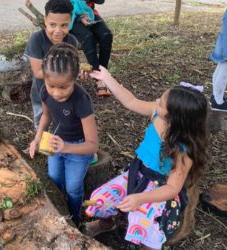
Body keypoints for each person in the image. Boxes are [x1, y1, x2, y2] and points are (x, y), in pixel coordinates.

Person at [85, 66, 208, 249]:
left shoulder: (184, 150)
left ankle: (149, 244)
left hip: (159, 188)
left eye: (161, 102)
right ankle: (107, 222)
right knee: (100, 198)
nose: (157, 101)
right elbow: (131, 101)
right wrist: (107, 78)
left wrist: (141, 198)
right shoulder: (157, 114)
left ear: (175, 118)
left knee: (141, 222)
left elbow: (172, 188)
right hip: (137, 172)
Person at [29, 43, 99, 227]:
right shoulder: (44, 91)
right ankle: (58, 214)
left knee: (73, 187)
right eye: (51, 85)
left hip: (78, 147)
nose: (56, 93)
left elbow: (93, 145)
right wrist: (37, 139)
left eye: (64, 87)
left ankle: (74, 219)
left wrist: (66, 147)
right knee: (54, 180)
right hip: (55, 141)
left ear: (75, 79)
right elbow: (46, 115)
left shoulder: (81, 100)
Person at [24, 0, 78, 129]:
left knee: (62, 121)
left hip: (65, 92)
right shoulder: (36, 39)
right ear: (45, 20)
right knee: (42, 119)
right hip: (41, 91)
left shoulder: (72, 41)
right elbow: (37, 72)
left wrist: (77, 73)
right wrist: (65, 75)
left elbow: (73, 68)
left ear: (70, 22)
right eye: (53, 25)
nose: (58, 31)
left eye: (64, 25)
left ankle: (60, 144)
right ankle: (40, 144)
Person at [70, 0, 113, 96]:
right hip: (69, 15)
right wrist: (79, 18)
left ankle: (103, 72)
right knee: (88, 37)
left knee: (106, 35)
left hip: (88, 12)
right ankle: (99, 79)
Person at [209, 9, 227, 111]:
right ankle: (218, 102)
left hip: (224, 44)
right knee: (223, 72)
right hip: (226, 46)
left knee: (221, 69)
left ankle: (216, 97)